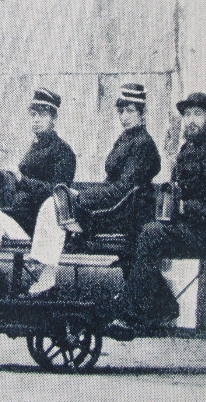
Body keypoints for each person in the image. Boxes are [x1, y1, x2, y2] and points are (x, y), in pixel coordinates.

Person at [108, 92, 206, 334]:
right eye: (187, 114)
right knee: (137, 232)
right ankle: (162, 306)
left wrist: (183, 207)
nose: (190, 120)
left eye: (197, 114)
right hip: (191, 228)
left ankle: (131, 315)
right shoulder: (188, 149)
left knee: (151, 234)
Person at [23, 83, 161, 298]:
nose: (124, 116)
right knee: (58, 205)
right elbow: (112, 183)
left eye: (131, 111)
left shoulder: (142, 144)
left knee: (57, 206)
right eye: (121, 111)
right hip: (121, 204)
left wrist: (82, 196)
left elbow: (124, 189)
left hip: (131, 211)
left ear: (142, 114)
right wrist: (84, 197)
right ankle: (45, 267)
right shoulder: (127, 138)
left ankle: (47, 273)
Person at [0, 88, 77, 296]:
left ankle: (23, 284)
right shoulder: (34, 147)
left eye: (43, 115)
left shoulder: (63, 152)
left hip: (44, 227)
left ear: (54, 118)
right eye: (34, 114)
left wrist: (22, 180)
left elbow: (58, 194)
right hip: (23, 218)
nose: (36, 120)